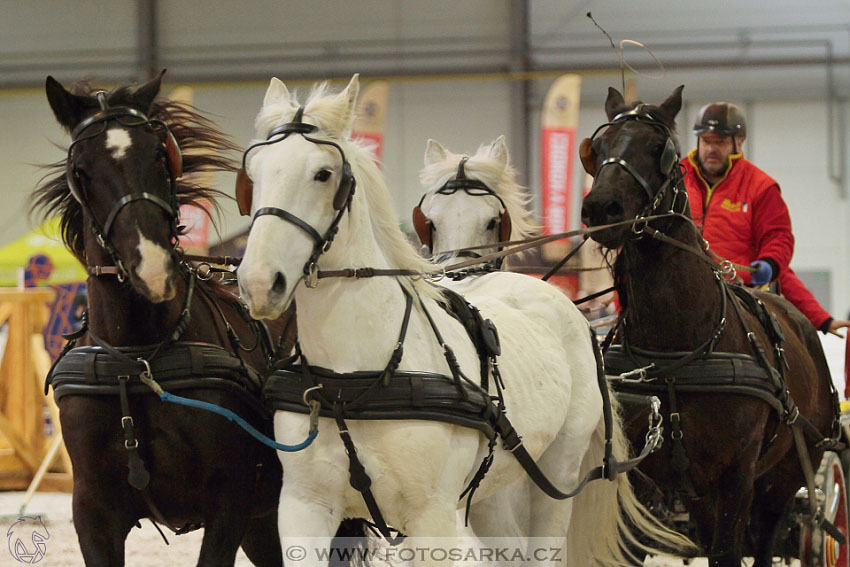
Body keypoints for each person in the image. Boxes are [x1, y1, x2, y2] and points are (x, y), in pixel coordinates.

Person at [682, 101, 850, 337]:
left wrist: (821, 319)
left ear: (739, 141)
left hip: (738, 301)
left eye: (719, 142)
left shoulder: (761, 188)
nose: (711, 149)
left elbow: (777, 242)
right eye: (706, 141)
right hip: (679, 296)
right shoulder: (676, 180)